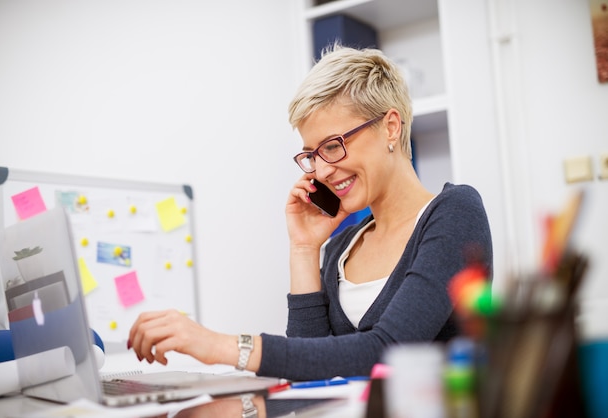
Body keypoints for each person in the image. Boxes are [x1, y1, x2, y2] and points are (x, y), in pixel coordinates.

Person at [127, 44, 493, 382]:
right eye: (311, 155)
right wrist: (304, 249)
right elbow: (311, 377)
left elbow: (386, 350)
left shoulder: (455, 212)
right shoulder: (340, 248)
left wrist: (219, 347)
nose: (319, 171)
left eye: (333, 146)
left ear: (391, 127)